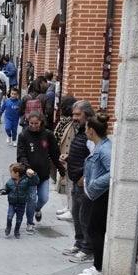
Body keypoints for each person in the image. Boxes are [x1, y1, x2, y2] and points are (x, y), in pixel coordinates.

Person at [16, 111, 66, 234]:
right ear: (28, 122)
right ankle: (29, 223)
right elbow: (21, 155)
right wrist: (27, 167)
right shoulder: (23, 135)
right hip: (30, 175)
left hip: (44, 174)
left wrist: (61, 169)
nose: (34, 126)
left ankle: (37, 209)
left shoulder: (48, 135)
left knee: (43, 198)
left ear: (41, 122)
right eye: (31, 123)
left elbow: (54, 154)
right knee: (31, 199)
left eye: (36, 123)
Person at [77, 113, 112, 275]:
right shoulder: (100, 146)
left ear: (91, 130)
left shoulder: (105, 149)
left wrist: (94, 184)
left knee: (95, 231)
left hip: (101, 196)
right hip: (97, 195)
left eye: (86, 128)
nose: (85, 130)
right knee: (94, 229)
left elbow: (112, 172)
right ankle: (98, 265)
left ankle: (98, 268)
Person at [60, 101, 95, 264]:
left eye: (77, 115)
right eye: (73, 114)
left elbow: (94, 158)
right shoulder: (80, 130)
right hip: (75, 180)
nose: (74, 118)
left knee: (85, 216)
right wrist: (69, 157)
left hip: (83, 182)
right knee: (76, 213)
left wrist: (85, 177)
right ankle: (79, 243)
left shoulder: (91, 132)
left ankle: (88, 249)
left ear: (86, 115)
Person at [53, 96, 77, 220]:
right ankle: (68, 207)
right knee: (68, 184)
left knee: (71, 185)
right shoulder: (64, 121)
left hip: (69, 158)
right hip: (64, 157)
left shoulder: (73, 123)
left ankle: (71, 210)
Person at [0, 163, 39, 239]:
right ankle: (8, 227)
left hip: (21, 204)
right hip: (12, 204)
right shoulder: (10, 181)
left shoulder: (26, 180)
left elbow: (35, 181)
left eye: (11, 172)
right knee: (10, 216)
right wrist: (3, 190)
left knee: (19, 220)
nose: (10, 174)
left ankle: (17, 231)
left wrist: (33, 175)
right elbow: (6, 187)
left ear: (17, 174)